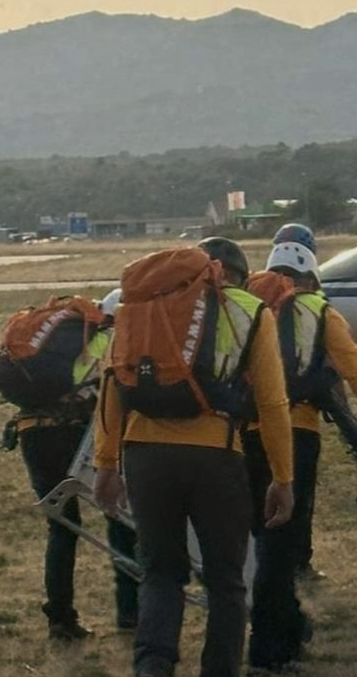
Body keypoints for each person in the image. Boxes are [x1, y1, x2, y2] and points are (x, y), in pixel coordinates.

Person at [94, 237, 295, 677]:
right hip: (215, 454)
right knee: (225, 582)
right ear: (235, 274)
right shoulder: (251, 311)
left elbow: (112, 387)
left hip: (144, 455)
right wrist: (283, 476)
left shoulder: (142, 308)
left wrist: (106, 464)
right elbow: (273, 402)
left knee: (160, 574)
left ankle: (152, 668)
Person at [240, 238, 357, 671]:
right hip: (296, 433)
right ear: (312, 278)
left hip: (241, 436)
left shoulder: (241, 307)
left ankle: (291, 627)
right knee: (281, 546)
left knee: (260, 540)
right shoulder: (320, 312)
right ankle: (267, 651)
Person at [9, 288, 139, 641]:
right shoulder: (106, 340)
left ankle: (61, 620)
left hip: (32, 434)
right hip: (72, 435)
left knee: (62, 528)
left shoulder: (63, 339)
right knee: (121, 517)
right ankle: (131, 611)